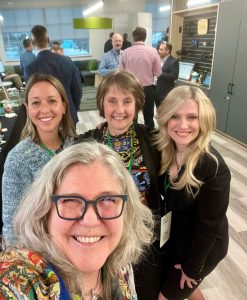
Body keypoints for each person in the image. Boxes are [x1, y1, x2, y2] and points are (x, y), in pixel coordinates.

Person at [0, 142, 154, 299]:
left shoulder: (121, 268)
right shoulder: (18, 281)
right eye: (71, 200)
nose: (90, 221)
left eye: (108, 199)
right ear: (45, 212)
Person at [76, 70, 162, 300]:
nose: (120, 110)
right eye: (112, 101)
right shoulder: (84, 143)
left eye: (127, 101)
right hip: (99, 237)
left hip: (144, 242)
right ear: (102, 104)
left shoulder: (154, 141)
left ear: (137, 105)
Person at [155, 86, 231, 300]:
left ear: (204, 121)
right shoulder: (167, 150)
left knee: (167, 294)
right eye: (175, 116)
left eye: (192, 117)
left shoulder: (213, 168)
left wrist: (192, 268)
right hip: (177, 237)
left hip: (202, 248)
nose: (182, 125)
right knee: (184, 289)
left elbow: (208, 228)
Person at [2, 73, 75, 245]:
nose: (44, 110)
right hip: (40, 255)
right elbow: (12, 228)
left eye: (52, 101)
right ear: (27, 109)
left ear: (64, 106)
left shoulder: (76, 147)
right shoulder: (17, 159)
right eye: (36, 103)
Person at [26, 25, 82, 125]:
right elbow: (77, 91)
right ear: (48, 39)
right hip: (69, 115)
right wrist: (73, 108)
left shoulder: (30, 68)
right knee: (70, 141)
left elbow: (32, 100)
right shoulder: (67, 61)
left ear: (33, 43)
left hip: (46, 119)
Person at [120, 26, 161, 130]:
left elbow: (121, 73)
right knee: (148, 116)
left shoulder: (125, 53)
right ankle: (149, 140)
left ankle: (133, 139)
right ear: (145, 37)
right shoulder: (153, 51)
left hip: (131, 88)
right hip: (147, 89)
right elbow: (158, 72)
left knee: (131, 116)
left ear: (133, 37)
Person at [155, 42, 179, 107]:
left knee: (164, 112)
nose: (158, 51)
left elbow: (174, 76)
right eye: (159, 49)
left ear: (167, 51)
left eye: (161, 49)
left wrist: (160, 73)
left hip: (165, 93)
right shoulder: (158, 59)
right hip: (156, 91)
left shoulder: (173, 61)